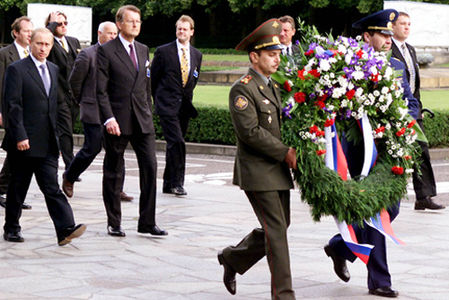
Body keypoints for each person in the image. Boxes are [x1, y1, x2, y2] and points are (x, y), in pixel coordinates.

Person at [324, 9, 419, 298]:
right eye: (383, 34)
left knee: (391, 209)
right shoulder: (349, 66)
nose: (389, 39)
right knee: (375, 210)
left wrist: (406, 119)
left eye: (391, 34)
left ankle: (340, 246)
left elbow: (411, 101)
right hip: (359, 152)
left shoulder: (394, 65)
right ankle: (380, 280)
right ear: (367, 36)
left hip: (389, 150)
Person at [217, 19, 297, 300]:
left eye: (278, 54)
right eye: (271, 54)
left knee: (278, 227)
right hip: (258, 171)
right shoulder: (243, 89)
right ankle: (284, 296)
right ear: (255, 57)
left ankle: (233, 258)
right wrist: (286, 152)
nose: (277, 59)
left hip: (276, 171)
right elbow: (250, 133)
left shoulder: (272, 86)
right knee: (277, 234)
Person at [2, 28, 86, 246]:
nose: (43, 48)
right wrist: (20, 135)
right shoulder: (16, 69)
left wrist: (57, 139)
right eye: (39, 44)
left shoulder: (53, 68)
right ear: (31, 43)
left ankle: (65, 229)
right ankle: (11, 228)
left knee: (51, 187)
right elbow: (13, 106)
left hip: (47, 142)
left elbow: (54, 106)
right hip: (24, 142)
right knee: (18, 186)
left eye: (47, 45)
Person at [97, 5, 166, 237]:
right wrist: (108, 118)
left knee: (150, 168)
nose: (135, 24)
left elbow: (146, 86)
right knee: (114, 172)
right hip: (117, 120)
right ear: (119, 24)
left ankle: (147, 222)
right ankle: (114, 222)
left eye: (138, 21)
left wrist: (148, 110)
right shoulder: (106, 51)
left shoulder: (144, 49)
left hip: (142, 120)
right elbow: (101, 90)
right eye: (131, 21)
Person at [62, 21, 133, 202]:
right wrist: (83, 102)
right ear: (99, 34)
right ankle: (70, 176)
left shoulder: (119, 54)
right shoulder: (87, 55)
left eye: (115, 34)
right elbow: (74, 82)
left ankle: (117, 189)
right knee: (92, 148)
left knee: (117, 151)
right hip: (93, 109)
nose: (113, 37)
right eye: (109, 33)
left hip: (114, 110)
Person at [392, 12, 445, 211]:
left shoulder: (411, 50)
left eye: (409, 24)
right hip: (397, 112)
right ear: (393, 27)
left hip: (413, 111)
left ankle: (424, 196)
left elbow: (415, 85)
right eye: (402, 24)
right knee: (396, 154)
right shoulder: (390, 50)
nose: (406, 27)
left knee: (421, 151)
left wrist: (418, 108)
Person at [150, 15, 202, 196]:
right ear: (176, 30)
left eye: (185, 29)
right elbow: (153, 79)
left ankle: (167, 183)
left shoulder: (197, 54)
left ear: (191, 32)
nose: (182, 32)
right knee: (177, 142)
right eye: (179, 28)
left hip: (184, 107)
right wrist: (158, 101)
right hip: (166, 106)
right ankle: (178, 183)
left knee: (174, 145)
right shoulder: (163, 52)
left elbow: (194, 78)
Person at [0, 16, 34, 210]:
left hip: (27, 114)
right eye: (26, 31)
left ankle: (11, 192)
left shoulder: (33, 53)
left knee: (17, 155)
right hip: (10, 112)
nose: (30, 34)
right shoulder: (5, 54)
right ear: (16, 33)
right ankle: (8, 191)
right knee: (16, 153)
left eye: (32, 30)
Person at [45, 11, 81, 174]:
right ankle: (71, 166)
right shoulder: (48, 42)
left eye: (65, 23)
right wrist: (51, 24)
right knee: (66, 130)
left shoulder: (73, 41)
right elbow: (44, 35)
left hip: (73, 94)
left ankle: (53, 152)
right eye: (59, 24)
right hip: (58, 93)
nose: (64, 26)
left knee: (68, 129)